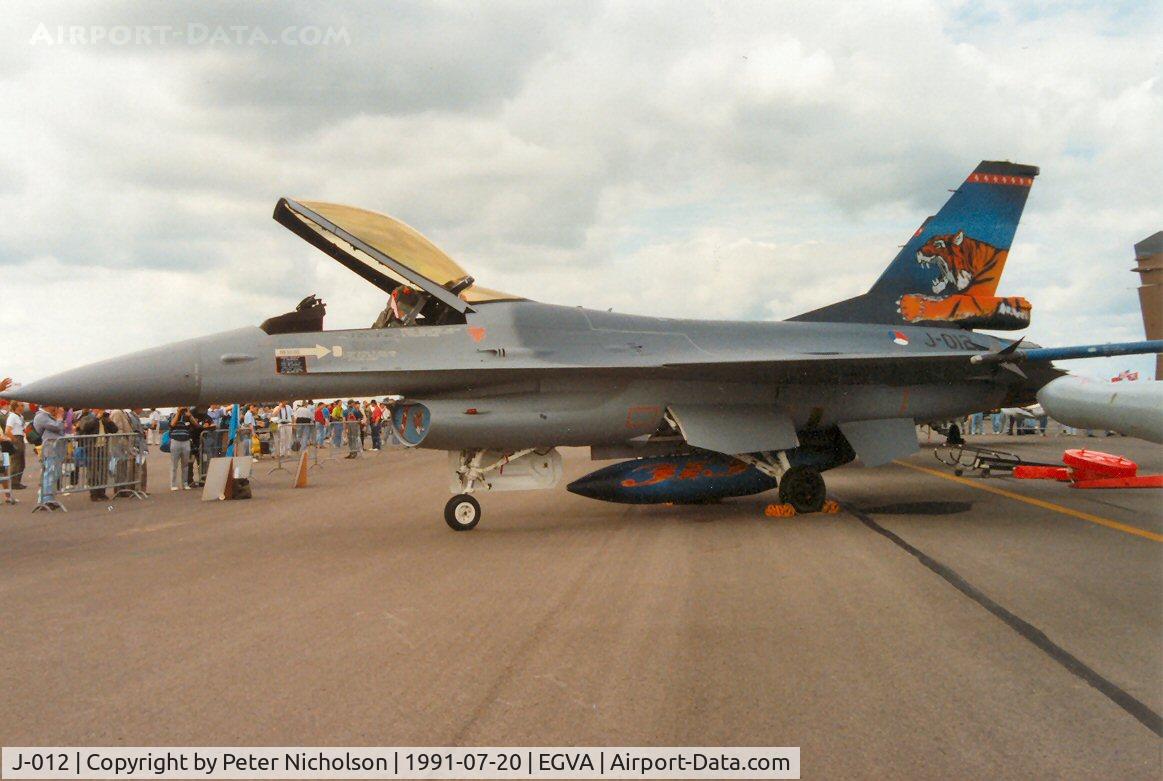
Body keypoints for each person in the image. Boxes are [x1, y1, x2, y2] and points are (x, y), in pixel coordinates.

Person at [77, 408, 119, 501]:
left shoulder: (105, 419)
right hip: (92, 447)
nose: (102, 410)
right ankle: (94, 493)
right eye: (99, 409)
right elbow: (85, 427)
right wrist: (96, 418)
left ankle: (102, 492)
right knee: (93, 471)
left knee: (103, 471)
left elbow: (115, 429)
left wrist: (108, 420)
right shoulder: (86, 417)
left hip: (103, 446)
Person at [32, 405, 67, 509]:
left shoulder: (48, 416)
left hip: (55, 450)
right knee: (50, 473)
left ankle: (49, 497)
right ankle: (46, 499)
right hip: (49, 450)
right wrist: (60, 417)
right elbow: (57, 427)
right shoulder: (41, 416)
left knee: (55, 473)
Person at [168, 407, 197, 490]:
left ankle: (185, 483)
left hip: (186, 441)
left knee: (185, 465)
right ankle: (173, 484)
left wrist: (190, 415)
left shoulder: (188, 416)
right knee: (174, 465)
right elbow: (172, 424)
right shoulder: (173, 415)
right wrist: (178, 413)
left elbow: (196, 424)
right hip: (175, 441)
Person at [4, 401, 27, 491]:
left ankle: (18, 481)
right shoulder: (12, 416)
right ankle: (13, 483)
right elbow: (8, 430)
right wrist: (14, 440)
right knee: (15, 461)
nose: (23, 407)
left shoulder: (20, 417)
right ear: (16, 407)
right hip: (16, 437)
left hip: (21, 437)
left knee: (22, 462)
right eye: (21, 405)